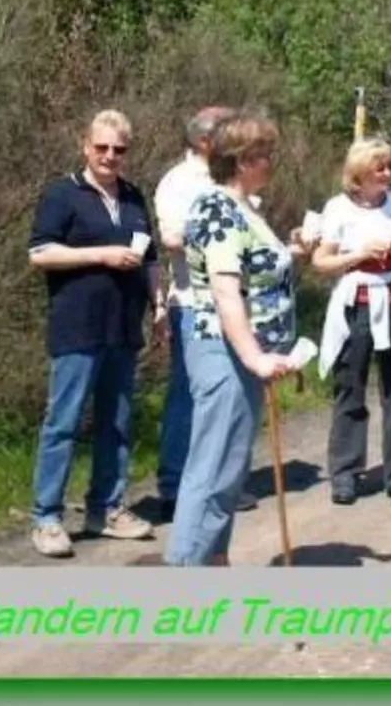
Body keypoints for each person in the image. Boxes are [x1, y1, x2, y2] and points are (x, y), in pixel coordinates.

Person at [165, 110, 316, 566]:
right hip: (223, 352)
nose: (271, 161)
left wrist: (292, 252)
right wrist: (254, 357)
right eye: (265, 153)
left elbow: (254, 271)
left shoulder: (245, 208)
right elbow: (225, 291)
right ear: (243, 159)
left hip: (240, 353)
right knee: (212, 467)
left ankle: (214, 561)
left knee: (229, 466)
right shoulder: (218, 209)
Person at [27, 110, 159, 558]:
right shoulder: (62, 194)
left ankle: (106, 507)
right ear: (85, 146)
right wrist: (102, 255)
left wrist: (159, 303)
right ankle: (47, 517)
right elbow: (40, 253)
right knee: (63, 423)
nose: (109, 156)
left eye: (118, 149)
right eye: (101, 147)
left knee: (117, 423)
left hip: (123, 325)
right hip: (77, 326)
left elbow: (150, 258)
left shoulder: (135, 197)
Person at [151, 106, 258, 523]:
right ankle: (174, 485)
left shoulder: (230, 177)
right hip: (195, 305)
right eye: (230, 133)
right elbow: (171, 237)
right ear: (204, 140)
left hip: (236, 303)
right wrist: (224, 236)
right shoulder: (178, 182)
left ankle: (221, 481)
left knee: (230, 395)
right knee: (189, 397)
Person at [313, 138, 391, 506]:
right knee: (350, 388)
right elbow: (321, 261)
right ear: (360, 173)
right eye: (380, 168)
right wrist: (359, 254)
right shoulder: (338, 209)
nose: (388, 174)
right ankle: (346, 472)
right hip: (356, 303)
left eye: (390, 167)